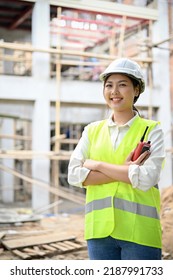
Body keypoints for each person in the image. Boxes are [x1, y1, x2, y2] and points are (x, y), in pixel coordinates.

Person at [68, 58, 165, 260]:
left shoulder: (151, 130)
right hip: (99, 232)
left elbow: (147, 178)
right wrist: (126, 171)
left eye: (122, 85)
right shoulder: (91, 131)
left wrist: (98, 165)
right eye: (109, 85)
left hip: (139, 234)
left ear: (137, 90)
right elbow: (74, 175)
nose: (114, 91)